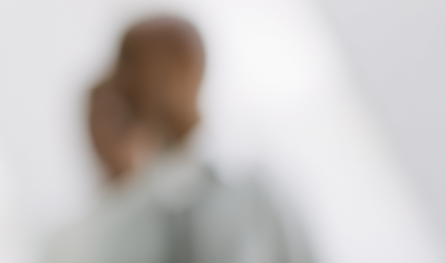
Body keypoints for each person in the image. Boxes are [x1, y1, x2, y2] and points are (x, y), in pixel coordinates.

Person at [46, 16, 314, 263]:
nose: (122, 82)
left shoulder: (257, 185)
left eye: (133, 63)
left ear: (185, 66)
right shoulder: (126, 215)